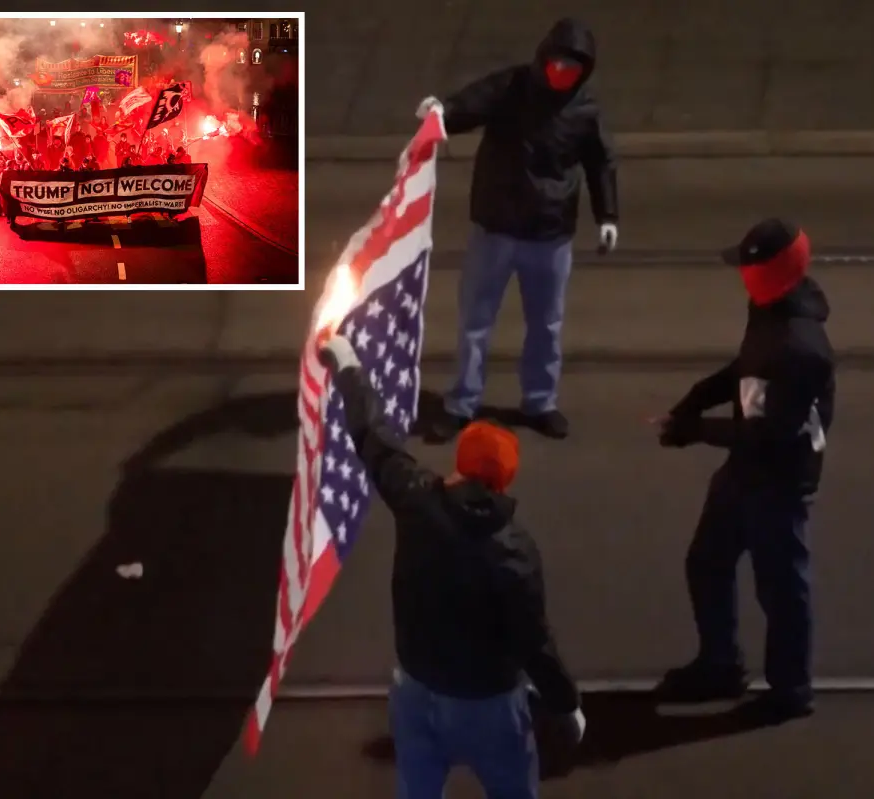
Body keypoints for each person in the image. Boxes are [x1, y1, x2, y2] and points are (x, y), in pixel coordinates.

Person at [318, 333, 586, 798]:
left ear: (459, 462)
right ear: (505, 481)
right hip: (488, 705)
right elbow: (534, 643)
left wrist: (347, 365)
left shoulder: (416, 498)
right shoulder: (515, 551)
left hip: (415, 690)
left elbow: (373, 434)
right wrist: (566, 705)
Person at [654, 218, 836, 724]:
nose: (741, 275)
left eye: (749, 266)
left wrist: (696, 431)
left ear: (772, 274)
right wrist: (696, 399)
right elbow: (744, 370)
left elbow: (771, 433)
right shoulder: (768, 310)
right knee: (707, 560)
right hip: (748, 464)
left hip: (779, 475)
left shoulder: (801, 350)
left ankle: (791, 687)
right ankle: (720, 664)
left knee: (780, 585)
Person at [420, 17, 619, 443]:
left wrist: (608, 216)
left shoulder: (585, 110)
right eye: (557, 65)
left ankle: (540, 402)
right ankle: (462, 403)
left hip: (549, 235)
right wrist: (443, 112)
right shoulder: (512, 87)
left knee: (546, 324)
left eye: (571, 69)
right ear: (545, 60)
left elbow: (601, 163)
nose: (561, 74)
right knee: (476, 321)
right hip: (496, 227)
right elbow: (472, 104)